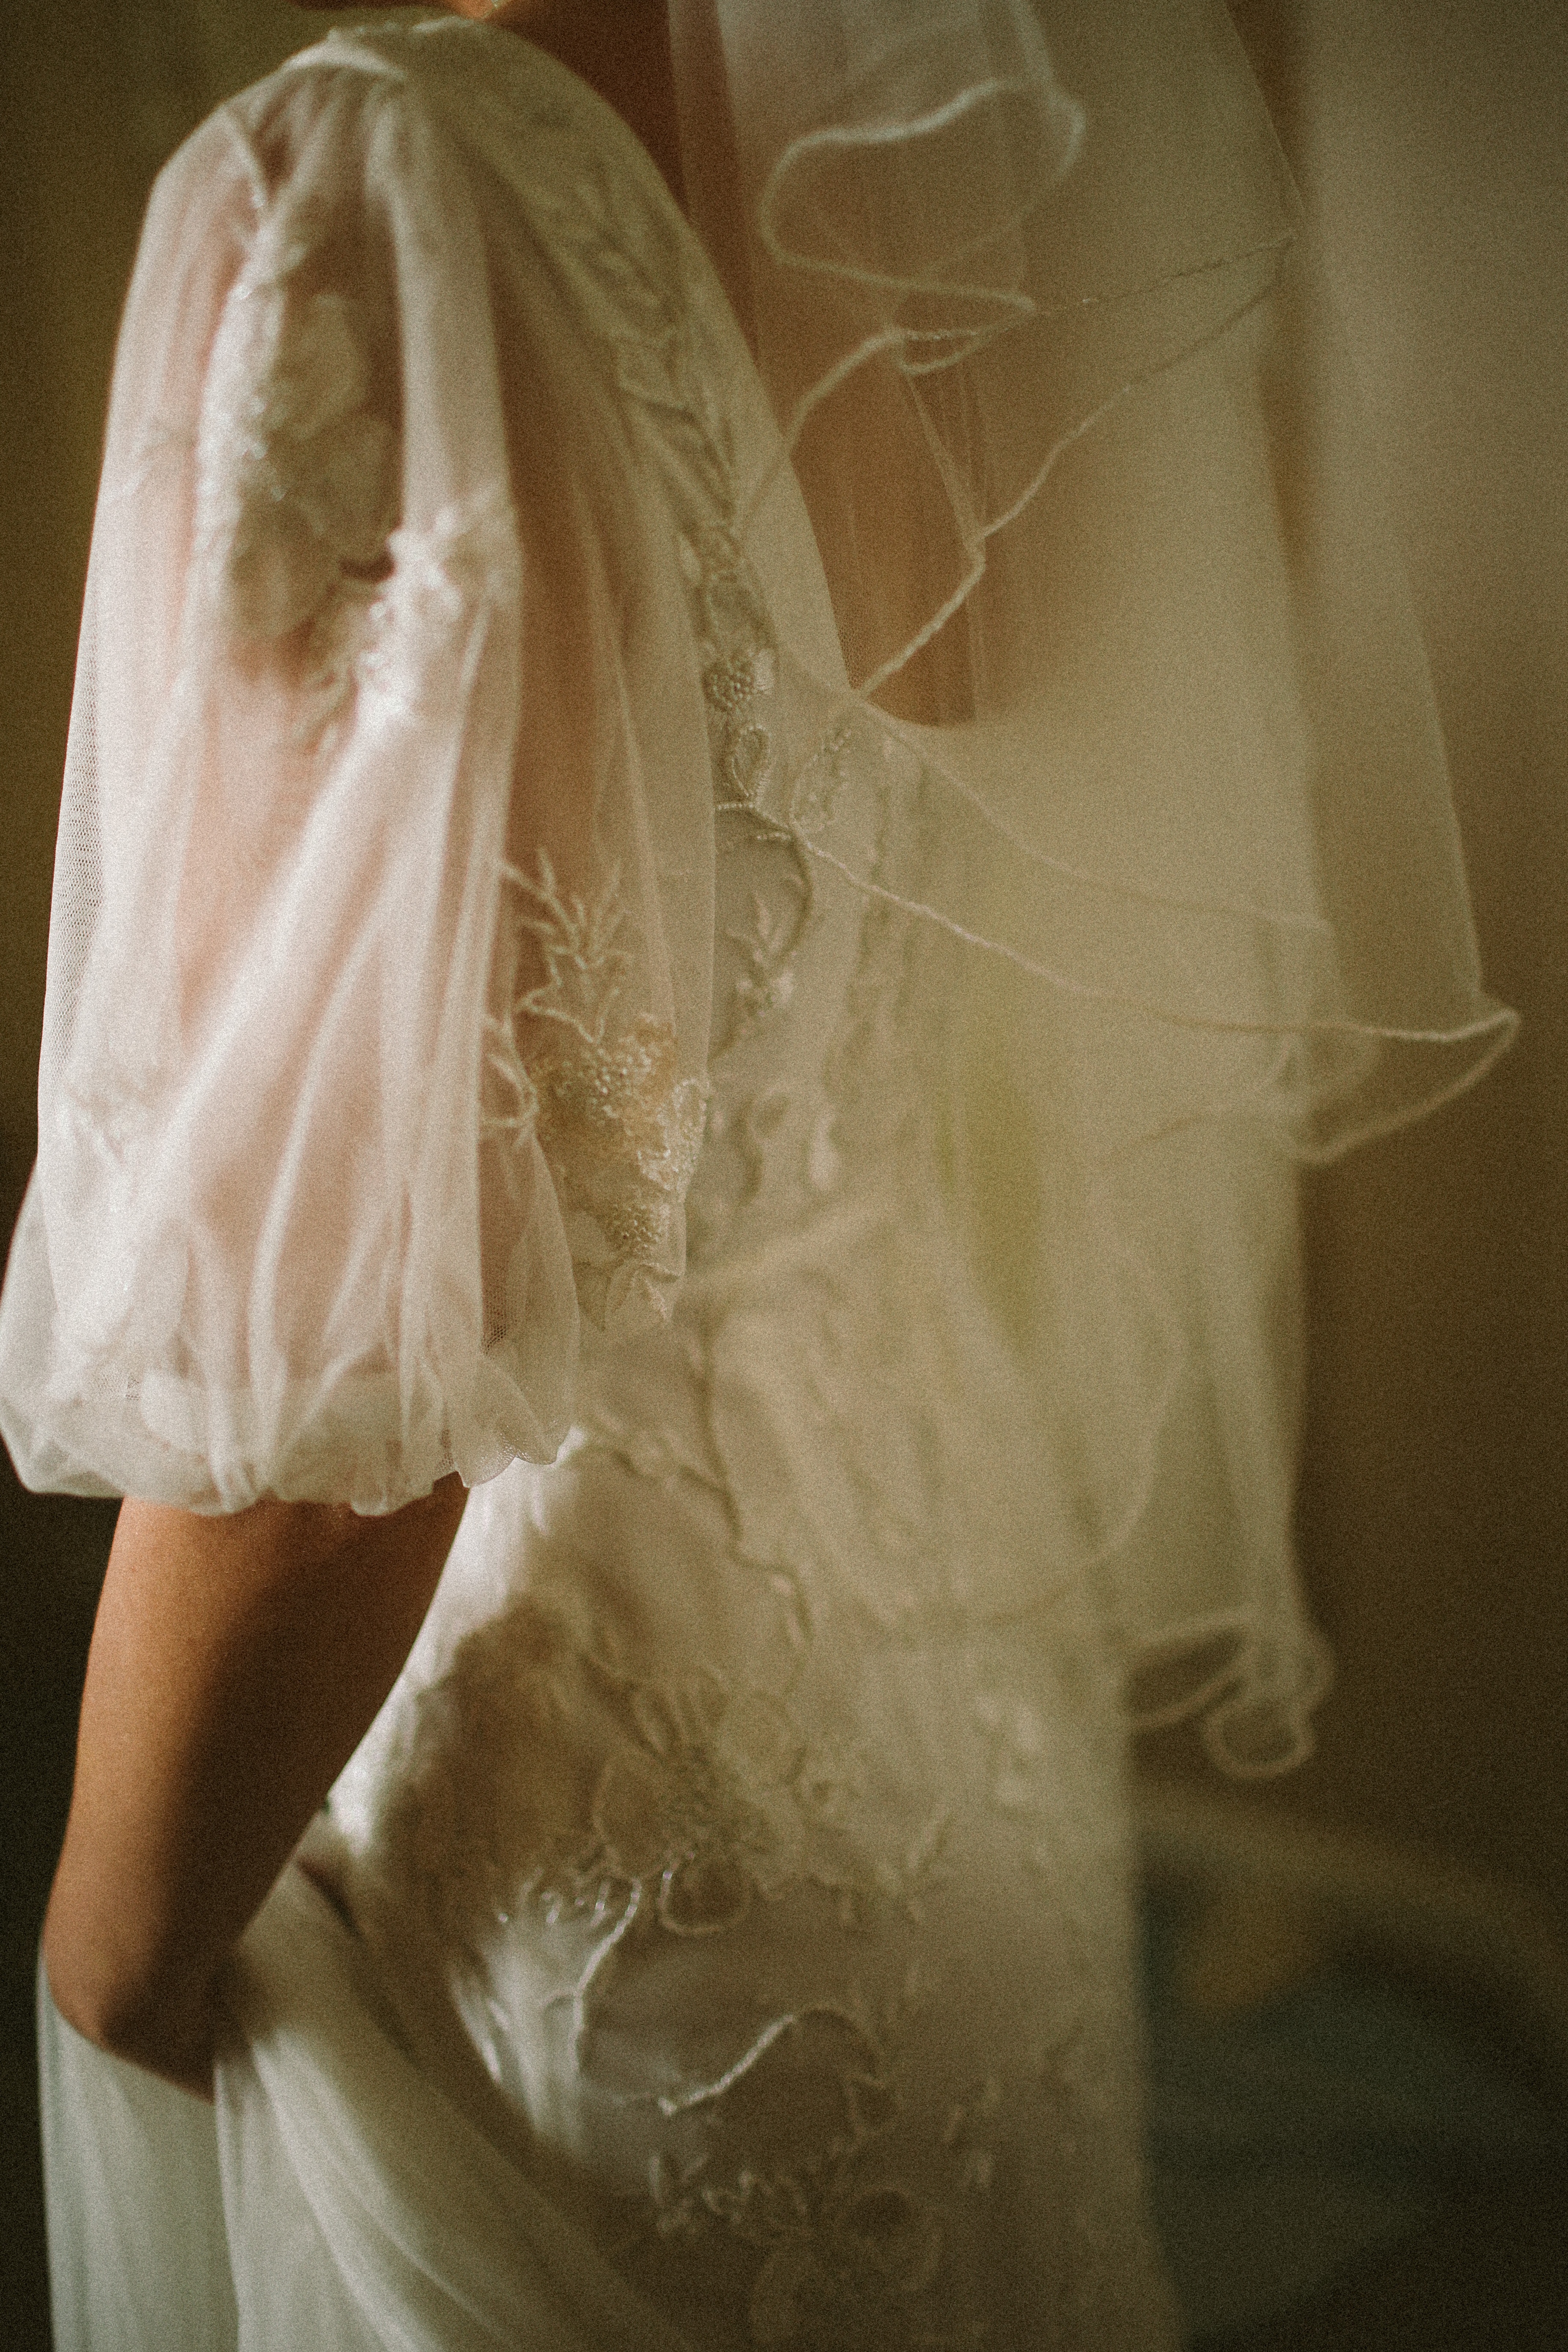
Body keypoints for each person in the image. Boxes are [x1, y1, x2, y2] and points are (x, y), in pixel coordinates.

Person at [0, 0, 1513, 2344]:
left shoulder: (362, 196)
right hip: (954, 1704)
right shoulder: (977, 174)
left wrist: (113, 1946)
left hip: (568, 1840)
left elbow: (346, 1418)